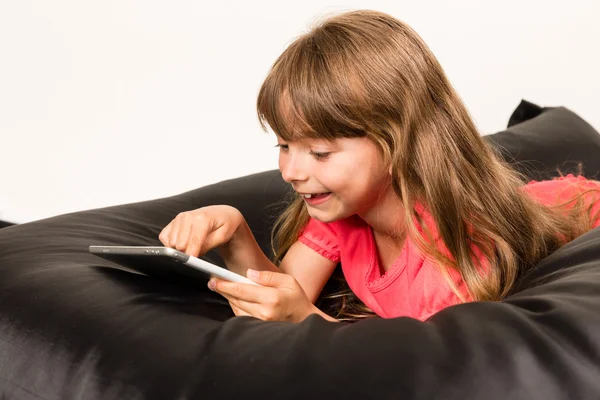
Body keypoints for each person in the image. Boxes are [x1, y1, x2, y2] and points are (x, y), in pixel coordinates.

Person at [159, 9, 600, 323]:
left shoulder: (453, 251)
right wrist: (235, 234)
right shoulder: (340, 212)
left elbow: (436, 362)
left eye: (320, 153)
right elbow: (286, 290)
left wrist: (307, 322)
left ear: (397, 142)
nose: (291, 171)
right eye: (284, 145)